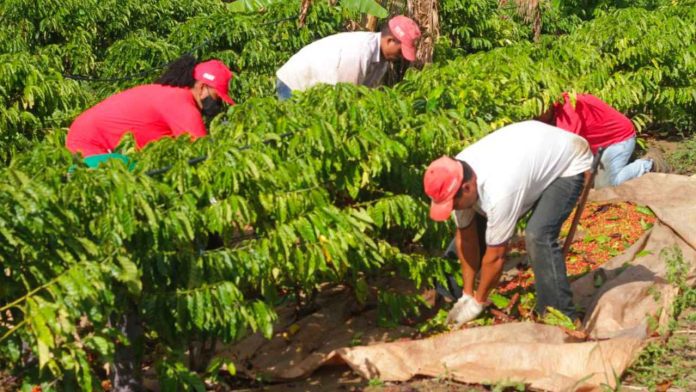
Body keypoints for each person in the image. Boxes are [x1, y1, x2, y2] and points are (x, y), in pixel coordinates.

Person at [423, 120, 593, 327]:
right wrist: (467, 293)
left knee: (538, 235)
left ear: (467, 188)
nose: (452, 209)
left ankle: (558, 313)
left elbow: (496, 257)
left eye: (453, 204)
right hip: (530, 151)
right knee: (475, 228)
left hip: (567, 161)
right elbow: (466, 239)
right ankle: (451, 294)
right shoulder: (455, 174)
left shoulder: (499, 193)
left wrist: (478, 302)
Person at [66, 55, 235, 167]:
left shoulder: (168, 93)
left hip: (84, 140)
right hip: (91, 147)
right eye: (217, 96)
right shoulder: (181, 103)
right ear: (203, 87)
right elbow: (200, 153)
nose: (217, 104)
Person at [275, 15, 421, 100]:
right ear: (389, 41)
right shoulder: (359, 53)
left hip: (317, 88)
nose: (401, 57)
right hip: (293, 84)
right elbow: (345, 98)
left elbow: (366, 94)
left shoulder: (383, 58)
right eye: (401, 51)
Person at [537, 92, 666, 188]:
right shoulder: (554, 107)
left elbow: (565, 154)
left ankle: (648, 164)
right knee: (591, 183)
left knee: (606, 186)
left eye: (539, 112)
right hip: (597, 145)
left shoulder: (568, 113)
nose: (536, 116)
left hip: (618, 140)